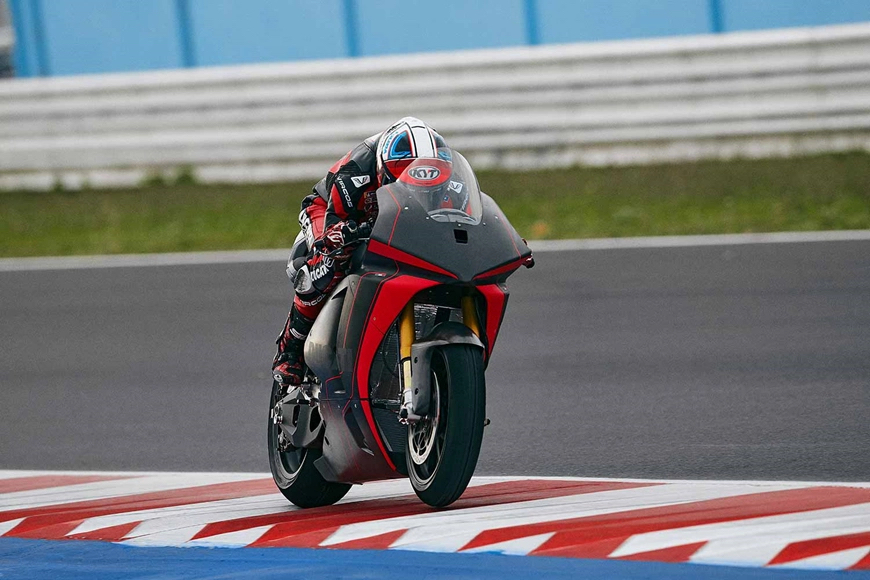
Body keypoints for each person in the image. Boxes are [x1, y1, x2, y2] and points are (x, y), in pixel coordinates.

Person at [272, 117, 451, 388]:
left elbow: (464, 212)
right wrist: (341, 234)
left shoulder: (445, 169)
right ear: (382, 170)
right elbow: (334, 224)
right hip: (327, 209)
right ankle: (290, 350)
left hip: (396, 219)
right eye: (402, 181)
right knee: (329, 262)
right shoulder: (355, 172)